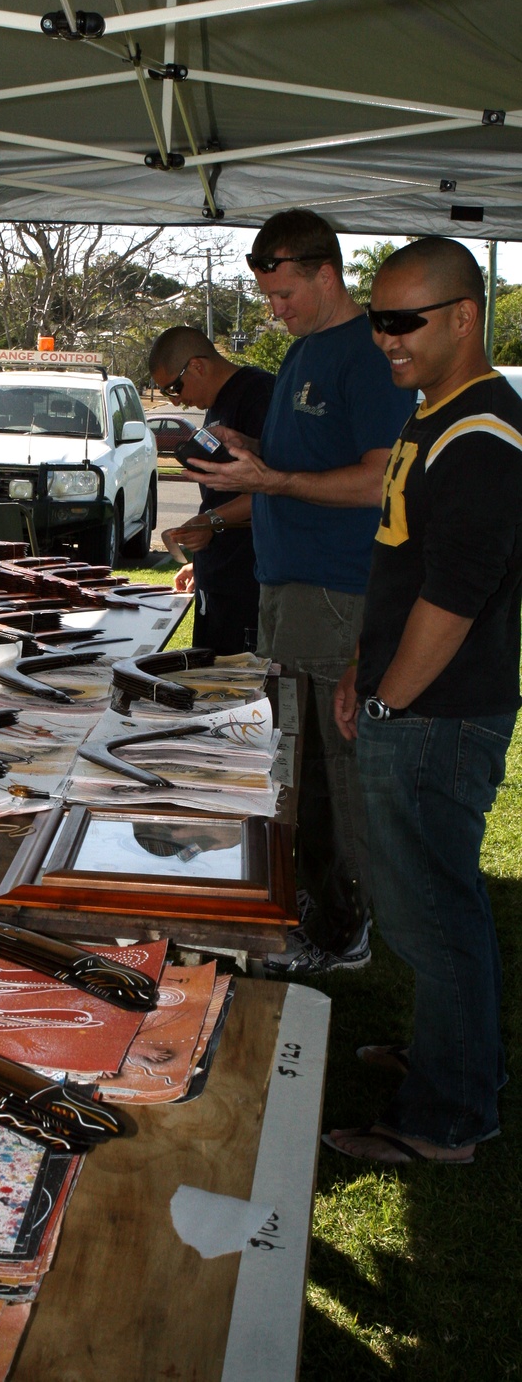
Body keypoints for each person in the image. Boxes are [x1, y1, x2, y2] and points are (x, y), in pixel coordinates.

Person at [326, 236, 522, 1164]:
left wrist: (390, 702)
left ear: (462, 317)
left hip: (439, 717)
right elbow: (403, 564)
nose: (386, 339)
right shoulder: (435, 412)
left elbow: (456, 594)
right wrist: (366, 671)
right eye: (377, 320)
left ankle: (447, 1121)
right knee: (432, 913)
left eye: (404, 322)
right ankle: (453, 1060)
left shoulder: (483, 432)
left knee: (436, 919)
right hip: (415, 701)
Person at [183, 210, 413, 973]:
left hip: (336, 593)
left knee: (327, 774)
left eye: (284, 295)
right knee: (290, 765)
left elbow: (381, 478)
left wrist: (271, 477)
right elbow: (305, 463)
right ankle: (315, 912)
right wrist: (254, 453)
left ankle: (343, 930)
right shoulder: (308, 353)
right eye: (268, 298)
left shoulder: (367, 355)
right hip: (287, 591)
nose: (275, 312)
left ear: (326, 273)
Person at [148, 327, 274, 655]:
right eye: (165, 394)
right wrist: (201, 563)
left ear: (198, 366)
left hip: (248, 584)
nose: (175, 400)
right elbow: (224, 493)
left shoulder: (257, 396)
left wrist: (211, 522)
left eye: (174, 387)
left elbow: (274, 486)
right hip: (219, 577)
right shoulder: (219, 403)